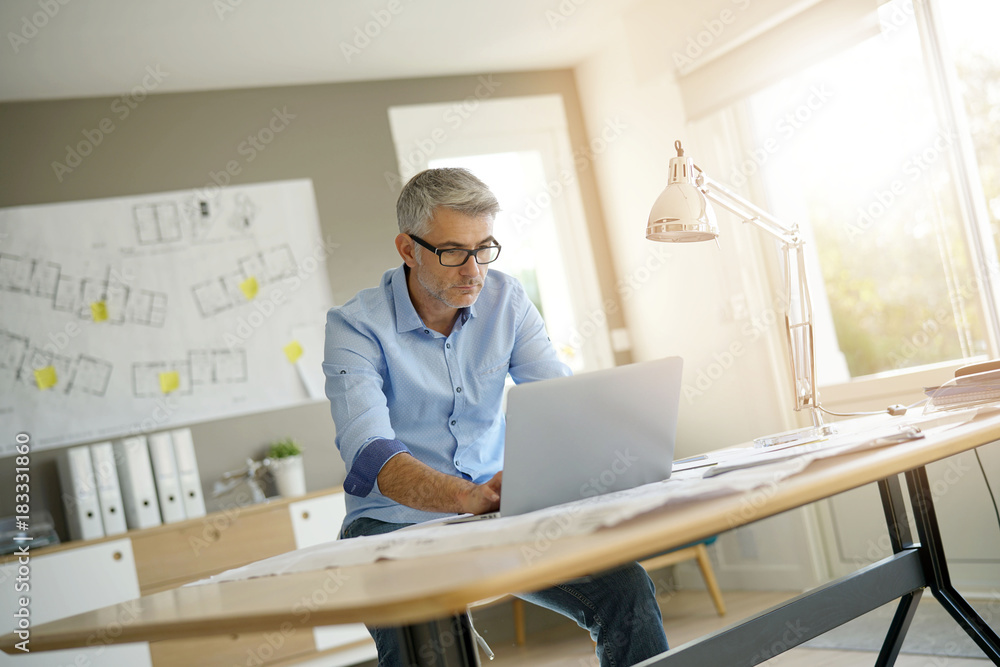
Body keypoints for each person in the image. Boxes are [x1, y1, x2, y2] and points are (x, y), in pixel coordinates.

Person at [323, 167, 669, 666]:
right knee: (426, 646)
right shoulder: (354, 327)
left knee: (624, 588)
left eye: (484, 248)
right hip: (391, 524)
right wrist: (466, 496)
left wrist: (620, 448)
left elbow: (561, 401)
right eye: (452, 252)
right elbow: (371, 453)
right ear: (408, 249)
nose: (473, 271)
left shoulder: (507, 300)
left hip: (498, 511)